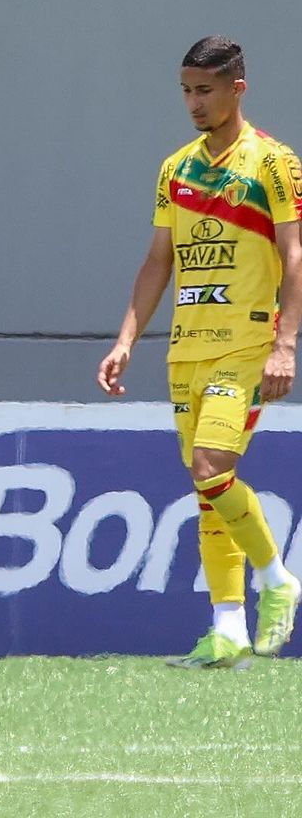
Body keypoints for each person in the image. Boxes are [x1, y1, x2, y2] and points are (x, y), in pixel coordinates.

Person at [98, 35, 302, 668]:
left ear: (237, 88)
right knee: (206, 487)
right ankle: (227, 628)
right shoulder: (176, 167)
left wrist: (285, 344)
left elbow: (294, 256)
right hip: (186, 347)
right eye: (186, 90)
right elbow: (158, 261)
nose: (193, 101)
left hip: (246, 342)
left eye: (205, 89)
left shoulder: (274, 161)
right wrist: (127, 337)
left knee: (213, 465)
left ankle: (278, 582)